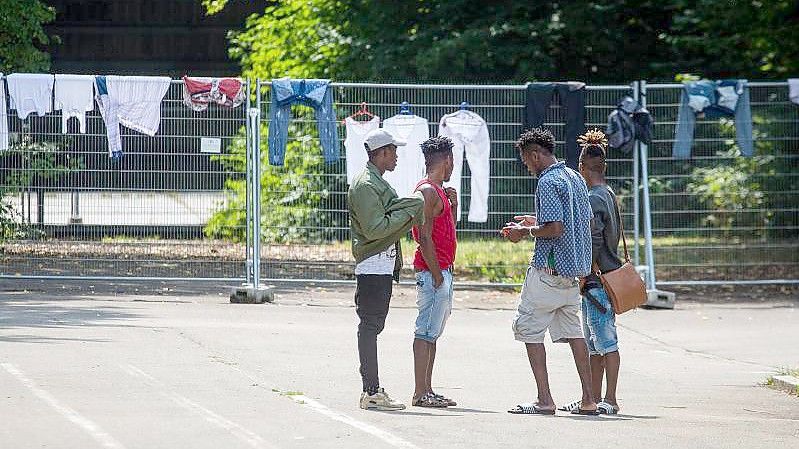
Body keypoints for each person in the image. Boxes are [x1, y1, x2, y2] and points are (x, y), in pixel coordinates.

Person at [502, 127, 598, 415]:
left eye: (526, 161)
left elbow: (554, 229)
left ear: (534, 154)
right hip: (573, 276)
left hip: (548, 273)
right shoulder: (573, 178)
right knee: (575, 333)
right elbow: (580, 222)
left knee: (529, 330)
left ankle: (545, 400)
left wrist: (525, 231)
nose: (527, 166)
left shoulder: (546, 182)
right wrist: (536, 220)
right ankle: (588, 399)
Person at [348, 128, 425, 411]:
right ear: (380, 153)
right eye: (393, 151)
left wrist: (408, 208)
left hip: (379, 264)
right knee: (370, 326)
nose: (396, 156)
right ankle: (370, 391)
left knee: (372, 325)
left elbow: (387, 215)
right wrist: (412, 209)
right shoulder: (367, 185)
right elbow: (376, 228)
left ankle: (372, 389)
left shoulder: (375, 181)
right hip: (372, 265)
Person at [568, 129, 623, 415]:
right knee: (595, 344)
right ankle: (591, 397)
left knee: (604, 341)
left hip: (597, 280)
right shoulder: (609, 193)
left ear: (581, 168)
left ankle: (610, 399)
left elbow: (594, 238)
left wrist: (585, 273)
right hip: (608, 276)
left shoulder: (592, 198)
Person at [410, 136, 458, 408]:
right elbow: (423, 236)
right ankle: (420, 392)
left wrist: (454, 206)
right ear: (447, 161)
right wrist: (438, 274)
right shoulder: (428, 191)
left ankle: (427, 389)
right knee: (425, 331)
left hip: (440, 271)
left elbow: (443, 231)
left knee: (432, 332)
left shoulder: (439, 191)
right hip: (432, 273)